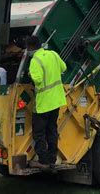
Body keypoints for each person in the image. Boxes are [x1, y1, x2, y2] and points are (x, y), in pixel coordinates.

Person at [26, 36, 67, 170]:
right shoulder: (53, 54)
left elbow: (37, 80)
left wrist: (30, 74)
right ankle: (52, 159)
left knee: (39, 133)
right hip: (57, 100)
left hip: (43, 103)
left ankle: (43, 161)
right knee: (52, 130)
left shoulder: (35, 60)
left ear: (31, 48)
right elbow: (64, 68)